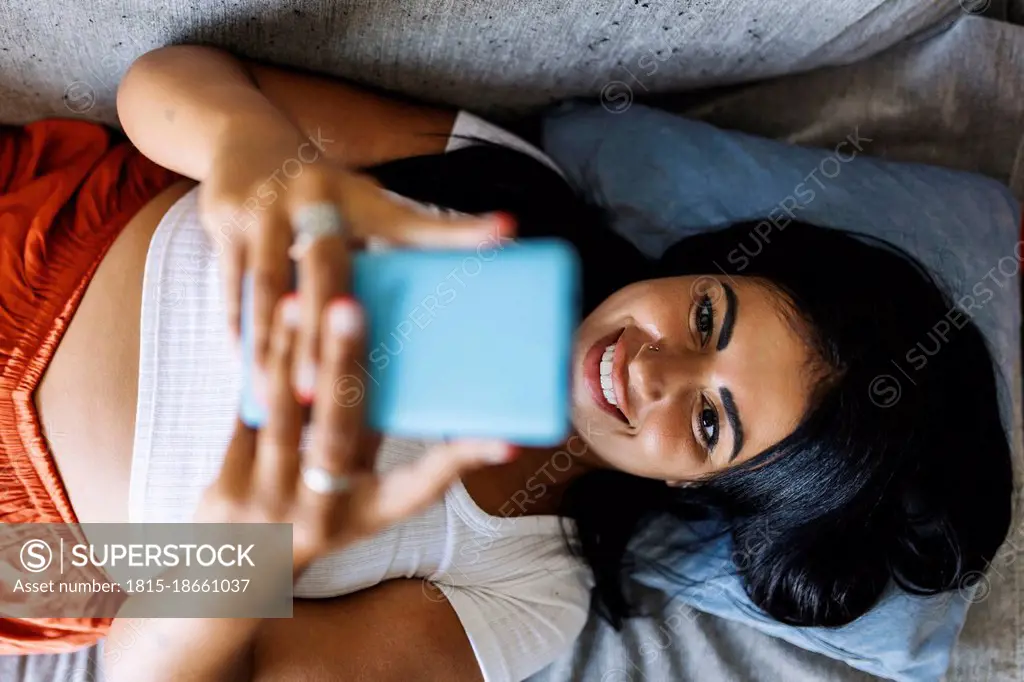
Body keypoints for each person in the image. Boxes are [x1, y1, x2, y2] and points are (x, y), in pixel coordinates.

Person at [0, 44, 1011, 681]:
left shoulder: (525, 588)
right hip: (42, 238)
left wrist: (234, 546)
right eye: (708, 316)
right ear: (710, 267)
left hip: (36, 548)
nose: (654, 369)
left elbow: (193, 670)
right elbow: (166, 80)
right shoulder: (507, 202)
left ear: (698, 487)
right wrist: (254, 161)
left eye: (708, 423)